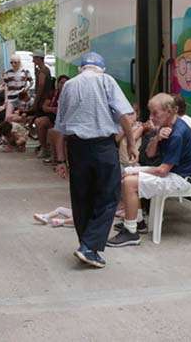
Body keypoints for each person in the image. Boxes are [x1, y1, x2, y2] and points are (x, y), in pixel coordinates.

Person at [54, 51, 136, 269]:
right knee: (109, 196)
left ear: (82, 68)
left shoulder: (69, 85)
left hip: (76, 147)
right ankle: (89, 247)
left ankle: (86, 245)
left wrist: (60, 160)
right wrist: (131, 143)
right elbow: (124, 116)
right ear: (101, 68)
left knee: (81, 197)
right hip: (102, 147)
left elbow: (60, 128)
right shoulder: (106, 81)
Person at [107, 93, 191, 248]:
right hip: (171, 173)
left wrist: (137, 173)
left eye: (155, 113)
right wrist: (157, 138)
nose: (151, 117)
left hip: (180, 179)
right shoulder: (166, 127)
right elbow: (150, 154)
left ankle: (131, 232)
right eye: (150, 113)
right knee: (127, 172)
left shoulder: (177, 134)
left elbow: (162, 170)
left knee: (129, 181)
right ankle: (138, 221)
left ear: (169, 111)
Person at [35, 75, 69, 161]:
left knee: (47, 127)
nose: (63, 85)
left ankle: (54, 155)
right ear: (58, 84)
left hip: (65, 119)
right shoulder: (53, 93)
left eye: (65, 83)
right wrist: (53, 109)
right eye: (61, 83)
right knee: (38, 121)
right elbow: (44, 107)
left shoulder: (71, 94)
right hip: (53, 116)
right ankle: (44, 148)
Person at [32, 50, 52, 117]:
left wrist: (36, 102)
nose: (33, 61)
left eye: (34, 58)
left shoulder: (43, 71)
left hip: (42, 100)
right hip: (44, 99)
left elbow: (41, 85)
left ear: (39, 59)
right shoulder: (45, 69)